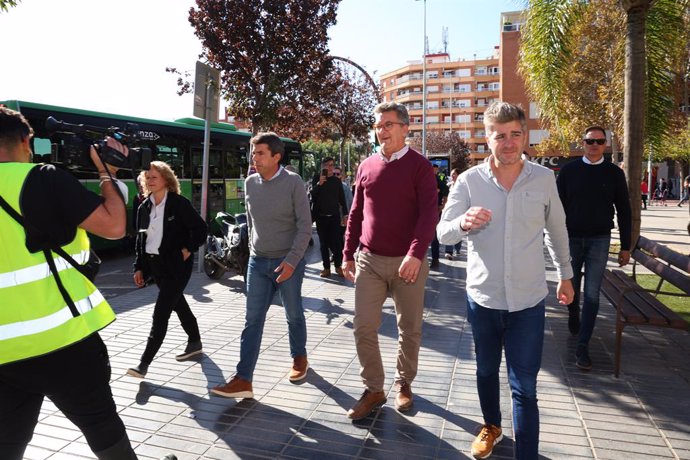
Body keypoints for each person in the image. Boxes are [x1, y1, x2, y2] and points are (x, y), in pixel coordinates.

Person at [437, 102, 574, 459]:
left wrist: (566, 275)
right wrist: (463, 222)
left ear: (525, 136)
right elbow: (443, 234)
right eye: (501, 136)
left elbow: (556, 231)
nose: (509, 143)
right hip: (483, 300)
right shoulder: (468, 181)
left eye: (515, 135)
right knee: (485, 371)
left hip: (528, 302)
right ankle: (491, 426)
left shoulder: (544, 179)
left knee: (524, 387)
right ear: (488, 138)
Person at [0, 107, 139, 459]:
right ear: (25, 141)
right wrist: (107, 173)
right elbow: (113, 227)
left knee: (7, 444)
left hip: (4, 352)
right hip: (64, 340)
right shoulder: (43, 178)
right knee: (103, 432)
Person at [342, 102, 438, 420]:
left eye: (388, 124)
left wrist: (415, 253)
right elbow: (356, 214)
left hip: (407, 263)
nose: (382, 130)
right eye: (378, 125)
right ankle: (374, 388)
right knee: (363, 326)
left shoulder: (420, 167)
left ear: (405, 128)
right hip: (369, 258)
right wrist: (347, 254)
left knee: (409, 329)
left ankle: (403, 383)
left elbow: (429, 214)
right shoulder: (366, 166)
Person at [211, 132, 312, 398]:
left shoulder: (293, 182)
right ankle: (244, 379)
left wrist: (291, 262)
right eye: (252, 152)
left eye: (260, 153)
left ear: (276, 157)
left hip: (287, 261)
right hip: (258, 261)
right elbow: (252, 222)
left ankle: (299, 357)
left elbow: (305, 227)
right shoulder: (250, 183)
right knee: (252, 320)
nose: (253, 158)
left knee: (293, 313)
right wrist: (252, 255)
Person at [557, 126, 633, 370]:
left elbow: (624, 210)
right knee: (572, 290)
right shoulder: (568, 171)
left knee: (591, 294)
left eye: (600, 141)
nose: (594, 145)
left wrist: (625, 246)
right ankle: (573, 315)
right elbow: (556, 210)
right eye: (590, 141)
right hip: (571, 238)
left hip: (600, 239)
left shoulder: (614, 174)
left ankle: (582, 346)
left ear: (606, 145)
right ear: (583, 143)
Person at [127, 161, 207, 378]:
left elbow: (201, 229)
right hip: (156, 266)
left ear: (166, 180)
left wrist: (187, 249)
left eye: (154, 177)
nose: (149, 181)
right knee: (178, 304)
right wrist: (139, 267)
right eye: (147, 178)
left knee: (160, 313)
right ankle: (195, 341)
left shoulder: (179, 204)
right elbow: (140, 240)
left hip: (177, 266)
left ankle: (143, 365)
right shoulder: (144, 206)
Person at [311, 157, 347, 278]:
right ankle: (326, 268)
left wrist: (346, 215)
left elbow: (342, 199)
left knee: (336, 243)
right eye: (327, 165)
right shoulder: (317, 178)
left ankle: (338, 266)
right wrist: (319, 184)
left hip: (334, 217)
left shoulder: (336, 181)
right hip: (321, 217)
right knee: (323, 244)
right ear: (322, 166)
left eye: (332, 165)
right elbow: (312, 196)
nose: (330, 167)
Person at [429, 164, 449, 269]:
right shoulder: (420, 177)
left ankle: (435, 259)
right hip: (420, 211)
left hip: (434, 210)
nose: (434, 171)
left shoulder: (439, 178)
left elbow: (446, 190)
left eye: (435, 169)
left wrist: (442, 205)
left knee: (434, 235)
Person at [444, 168, 463, 260]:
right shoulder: (449, 185)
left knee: (458, 229)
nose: (452, 176)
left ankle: (458, 248)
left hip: (460, 211)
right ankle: (448, 251)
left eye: (454, 174)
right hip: (449, 211)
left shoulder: (463, 185)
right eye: (451, 174)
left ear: (458, 175)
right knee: (449, 230)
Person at [334, 166, 353, 240]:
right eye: (334, 174)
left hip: (342, 220)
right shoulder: (327, 186)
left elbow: (351, 204)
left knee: (340, 241)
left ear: (341, 175)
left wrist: (348, 218)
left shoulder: (346, 188)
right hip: (331, 220)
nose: (336, 176)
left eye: (337, 174)